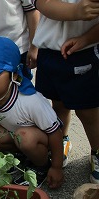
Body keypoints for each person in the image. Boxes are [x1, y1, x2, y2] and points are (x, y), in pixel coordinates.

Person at [0, 37, 64, 189]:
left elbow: (55, 133)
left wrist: (57, 167)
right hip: (18, 136)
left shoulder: (30, 101)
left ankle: (42, 166)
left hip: (42, 141)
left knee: (24, 137)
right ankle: (23, 157)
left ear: (14, 75)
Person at [32, 0, 99, 183]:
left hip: (84, 50)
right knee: (58, 105)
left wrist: (87, 38)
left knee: (88, 111)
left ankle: (97, 150)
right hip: (50, 51)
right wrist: (76, 10)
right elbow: (42, 3)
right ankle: (62, 140)